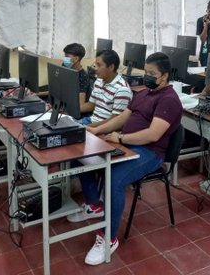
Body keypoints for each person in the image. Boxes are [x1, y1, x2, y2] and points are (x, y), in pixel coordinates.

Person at [67, 52, 182, 266]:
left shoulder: (169, 100)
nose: (147, 76)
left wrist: (120, 137)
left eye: (152, 74)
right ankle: (94, 205)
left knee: (114, 179)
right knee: (78, 157)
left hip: (150, 153)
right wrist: (97, 130)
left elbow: (153, 135)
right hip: (126, 143)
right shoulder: (144, 93)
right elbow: (122, 118)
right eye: (146, 71)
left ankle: (108, 237)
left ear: (164, 76)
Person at [79, 49, 133, 126]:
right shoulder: (99, 80)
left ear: (111, 67)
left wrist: (86, 127)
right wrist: (71, 110)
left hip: (103, 127)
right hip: (91, 120)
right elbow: (91, 105)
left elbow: (115, 121)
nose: (95, 68)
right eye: (95, 65)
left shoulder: (122, 90)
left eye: (99, 65)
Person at [62, 43, 92, 116]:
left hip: (72, 112)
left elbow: (80, 105)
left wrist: (64, 113)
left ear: (76, 59)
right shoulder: (65, 67)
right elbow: (58, 89)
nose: (64, 59)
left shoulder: (83, 76)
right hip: (63, 106)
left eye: (67, 56)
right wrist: (38, 93)